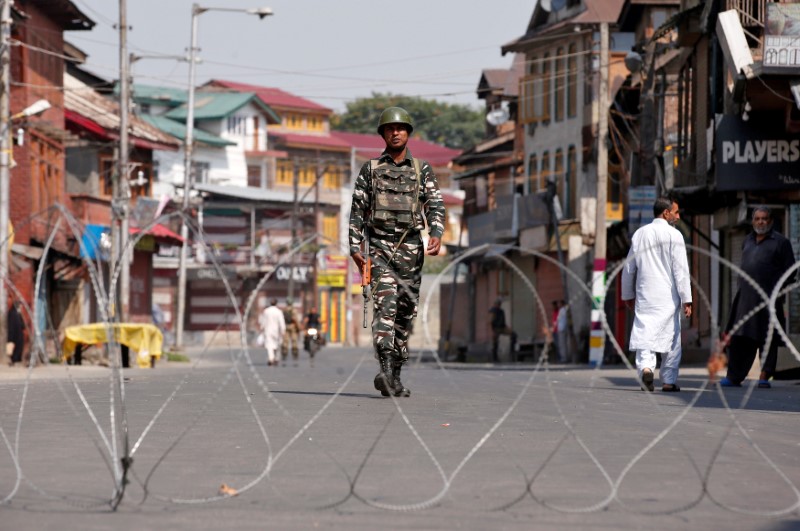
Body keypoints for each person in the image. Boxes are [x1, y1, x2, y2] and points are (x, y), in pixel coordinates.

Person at [349, 106, 445, 397]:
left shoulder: (421, 169)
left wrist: (437, 233)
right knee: (386, 308)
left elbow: (435, 204)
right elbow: (357, 211)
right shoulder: (371, 169)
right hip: (379, 249)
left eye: (400, 128)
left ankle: (395, 375)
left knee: (404, 315)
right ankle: (386, 370)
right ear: (383, 134)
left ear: (408, 133)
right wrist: (355, 248)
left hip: (412, 250)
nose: (395, 132)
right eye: (389, 129)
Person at [621, 197, 692, 392]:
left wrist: (627, 294)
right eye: (676, 212)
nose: (678, 217)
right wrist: (687, 299)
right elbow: (681, 271)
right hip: (668, 297)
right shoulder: (674, 235)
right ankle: (668, 381)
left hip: (645, 295)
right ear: (666, 213)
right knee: (672, 338)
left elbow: (629, 268)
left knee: (646, 334)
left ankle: (646, 368)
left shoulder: (640, 234)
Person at [721, 206, 796, 388]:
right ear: (753, 221)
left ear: (770, 221)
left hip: (768, 299)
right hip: (745, 299)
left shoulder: (781, 242)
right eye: (757, 219)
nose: (761, 222)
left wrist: (777, 289)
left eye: (764, 219)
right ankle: (734, 377)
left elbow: (791, 272)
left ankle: (764, 376)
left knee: (767, 337)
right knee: (740, 337)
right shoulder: (747, 241)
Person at [489, 298, 516, 362]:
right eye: (498, 304)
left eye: (499, 304)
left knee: (514, 335)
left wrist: (507, 327)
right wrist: (492, 330)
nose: (498, 305)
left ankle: (512, 352)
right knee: (495, 342)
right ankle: (495, 357)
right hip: (495, 328)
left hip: (502, 327)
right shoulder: (492, 311)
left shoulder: (501, 311)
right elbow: (490, 321)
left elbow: (503, 321)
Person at [260, 298, 285, 366]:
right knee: (277, 344)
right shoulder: (278, 311)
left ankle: (271, 358)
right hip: (276, 330)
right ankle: (276, 358)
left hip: (268, 330)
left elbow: (263, 320)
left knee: (269, 345)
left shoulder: (266, 311)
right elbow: (281, 322)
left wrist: (262, 327)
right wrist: (283, 330)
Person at [281, 296, 301, 365]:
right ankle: (295, 354)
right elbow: (295, 319)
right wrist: (299, 328)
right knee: (294, 341)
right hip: (293, 327)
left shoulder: (284, 310)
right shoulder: (293, 310)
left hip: (286, 326)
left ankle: (284, 354)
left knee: (285, 341)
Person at [7, 299, 25, 367]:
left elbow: (22, 325)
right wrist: (11, 336)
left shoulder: (18, 314)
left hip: (19, 334)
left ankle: (17, 360)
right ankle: (13, 360)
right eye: (20, 306)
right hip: (14, 335)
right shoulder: (12, 313)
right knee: (13, 348)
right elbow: (11, 325)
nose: (21, 308)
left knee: (19, 347)